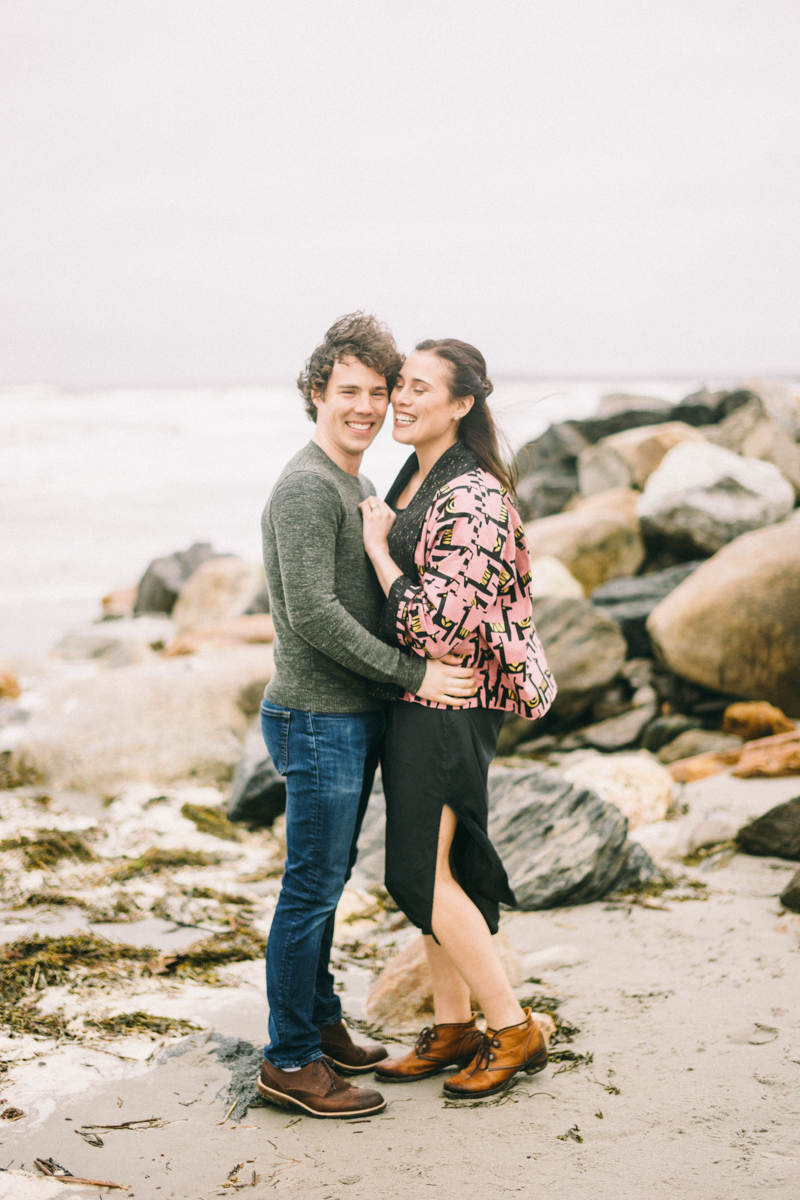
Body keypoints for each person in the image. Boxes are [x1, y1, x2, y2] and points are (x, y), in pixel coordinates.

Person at [256, 315, 479, 1119]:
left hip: (344, 716)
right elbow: (314, 615)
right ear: (317, 393)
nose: (364, 406)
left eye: (377, 393)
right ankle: (288, 1061)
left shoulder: (353, 483)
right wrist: (411, 671)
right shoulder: (308, 486)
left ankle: (317, 1025)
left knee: (324, 881)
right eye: (347, 391)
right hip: (316, 717)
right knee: (310, 890)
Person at [359, 338, 557, 1099]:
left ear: (462, 403)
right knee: (439, 873)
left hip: (451, 702)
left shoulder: (471, 494)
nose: (399, 400)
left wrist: (380, 550)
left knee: (416, 876)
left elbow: (440, 626)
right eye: (397, 385)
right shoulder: (418, 474)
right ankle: (452, 1027)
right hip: (423, 700)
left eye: (417, 388)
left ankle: (513, 1028)